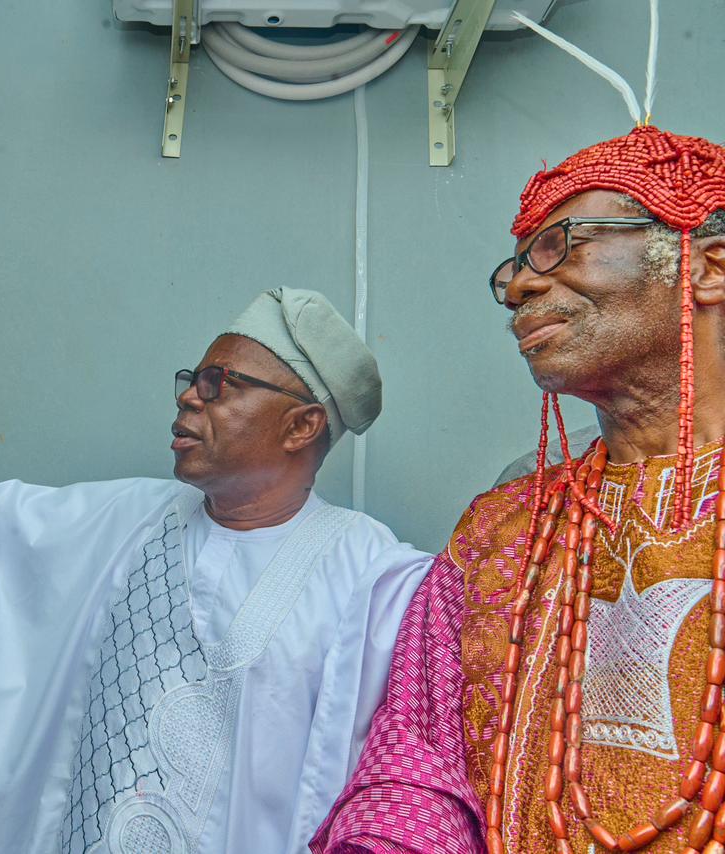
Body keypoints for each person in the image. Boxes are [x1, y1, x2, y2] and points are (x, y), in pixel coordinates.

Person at [0, 285, 431, 853]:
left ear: (301, 425)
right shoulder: (134, 518)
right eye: (194, 378)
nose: (190, 395)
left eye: (221, 383)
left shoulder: (373, 581)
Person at [310, 124, 725, 854]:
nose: (519, 286)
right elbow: (418, 768)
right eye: (513, 268)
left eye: (564, 243)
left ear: (709, 268)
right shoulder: (499, 534)